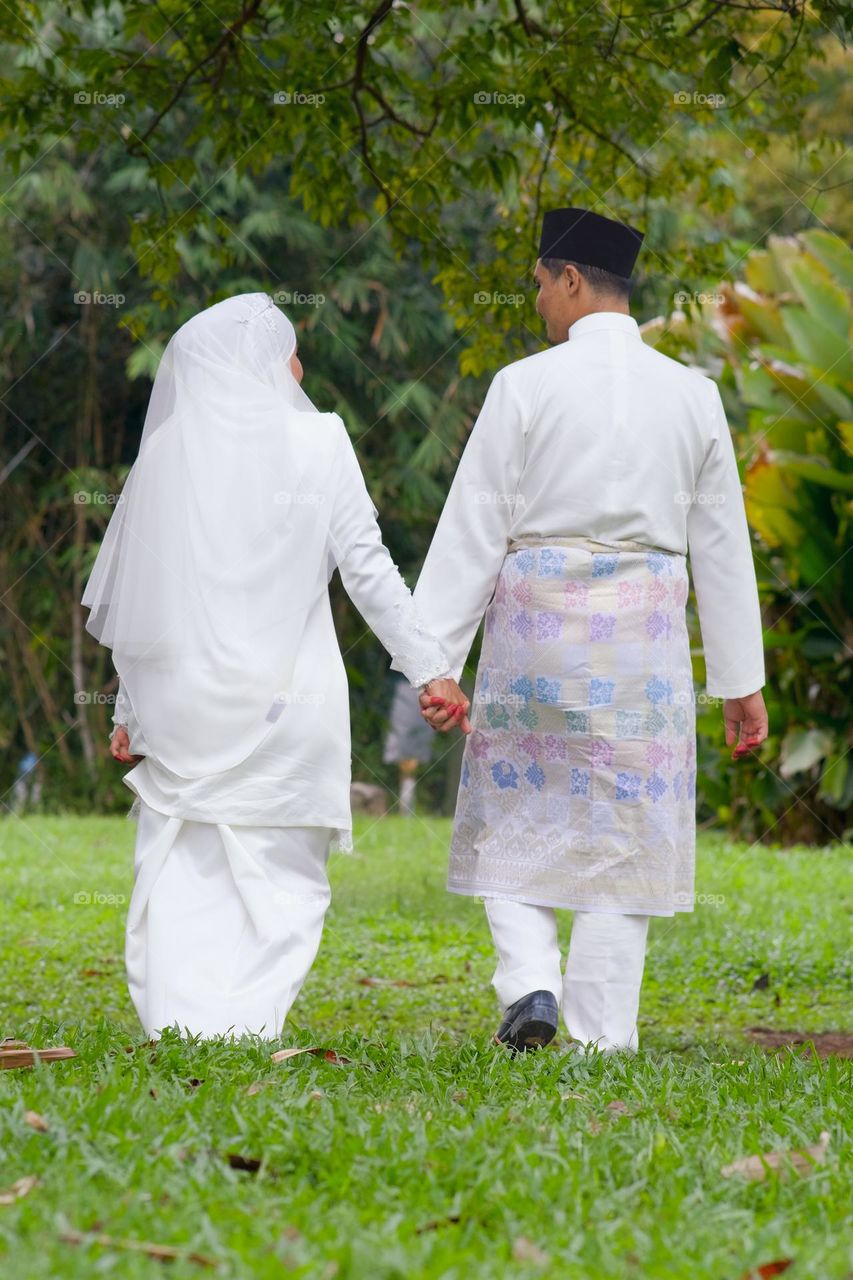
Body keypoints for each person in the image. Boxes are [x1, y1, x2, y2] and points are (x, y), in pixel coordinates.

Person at [411, 207, 768, 1054]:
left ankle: (529, 981)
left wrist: (436, 661)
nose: (536, 302)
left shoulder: (524, 385)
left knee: (514, 812)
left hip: (536, 627)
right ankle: (600, 1038)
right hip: (638, 644)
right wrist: (738, 682)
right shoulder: (692, 395)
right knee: (624, 829)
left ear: (570, 280)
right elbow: (719, 545)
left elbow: (474, 524)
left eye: (539, 284)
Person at [83, 292, 467, 1040]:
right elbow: (369, 570)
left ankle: (181, 1023)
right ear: (260, 361)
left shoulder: (167, 452)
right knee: (281, 878)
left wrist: (131, 710)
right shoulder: (320, 441)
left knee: (185, 866)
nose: (299, 367)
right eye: (292, 351)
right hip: (288, 705)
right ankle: (245, 1026)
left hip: (183, 703)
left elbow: (145, 593)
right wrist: (431, 669)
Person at [382, 674, 436, 815]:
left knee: (414, 758)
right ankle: (404, 808)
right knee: (404, 757)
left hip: (426, 687)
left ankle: (407, 808)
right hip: (402, 687)